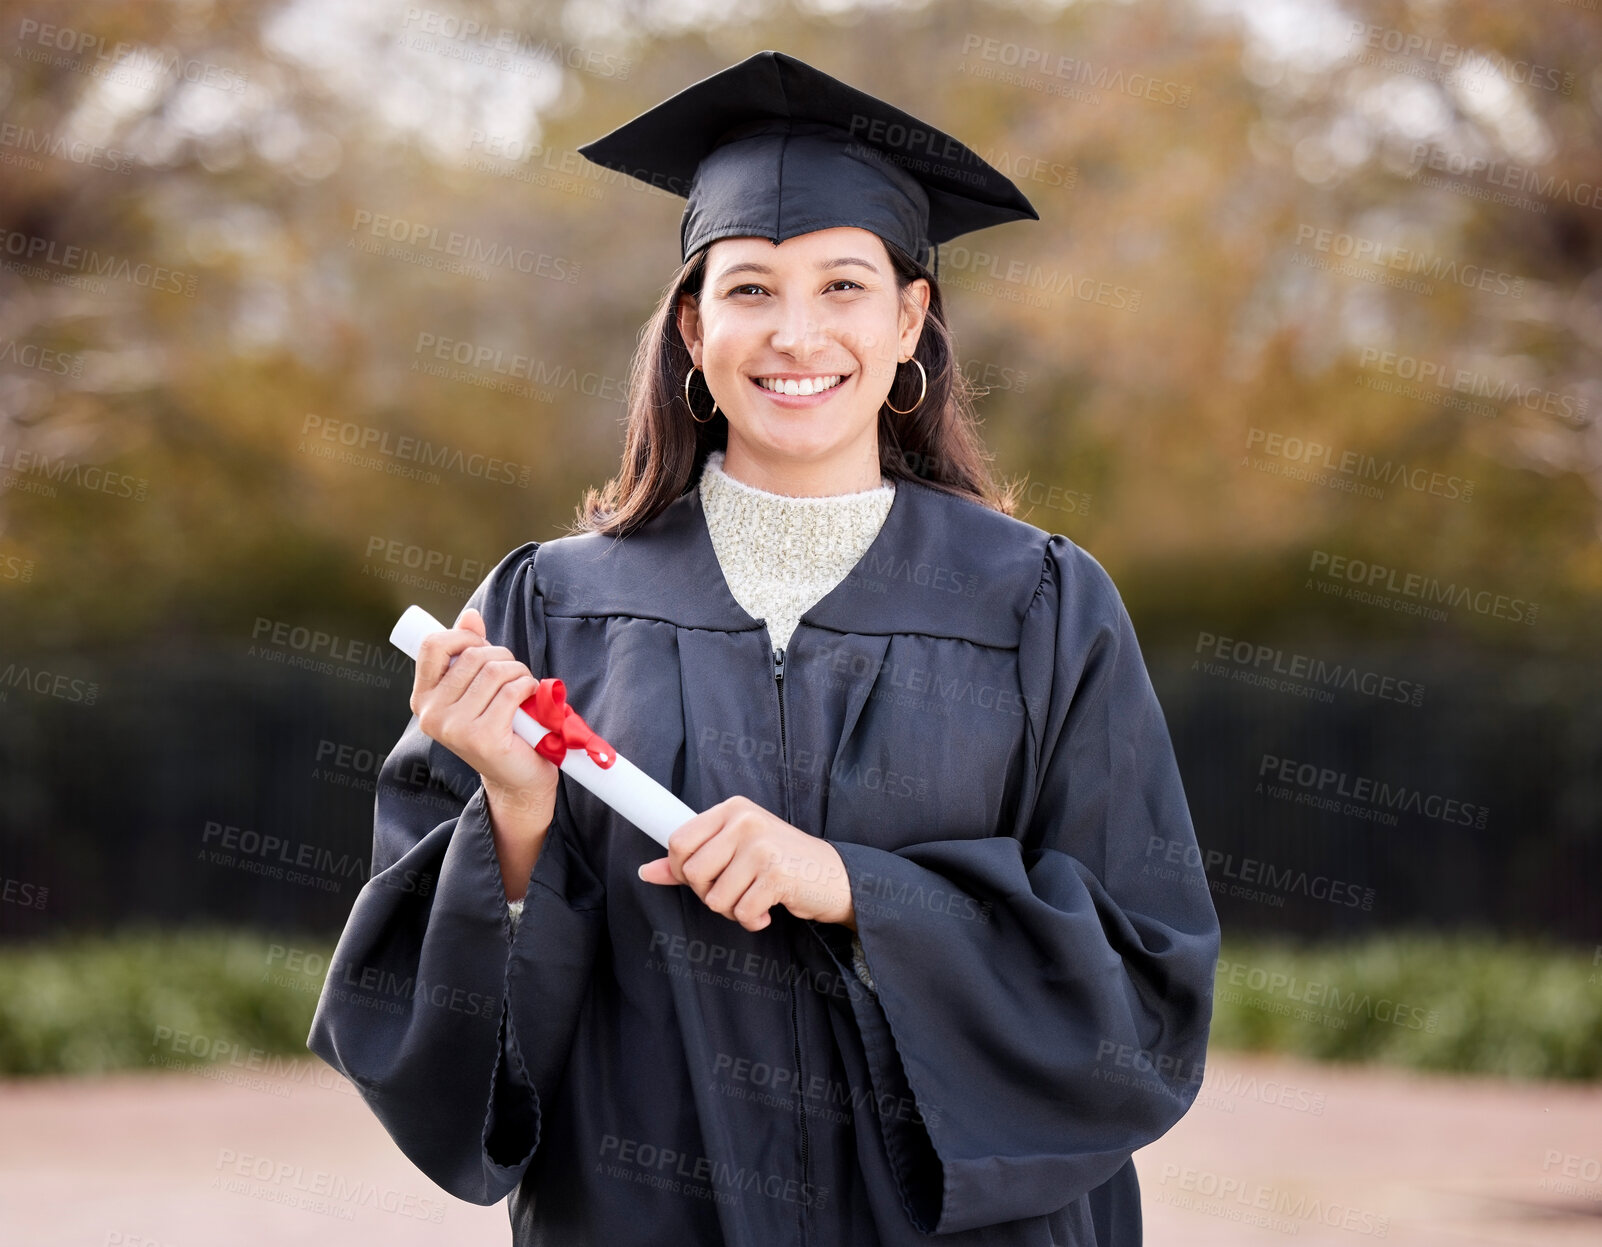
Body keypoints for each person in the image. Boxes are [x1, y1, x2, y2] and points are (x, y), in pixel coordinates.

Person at [307, 49, 1219, 1247]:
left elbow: (1144, 982)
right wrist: (516, 820)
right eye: (748, 289)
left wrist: (854, 888)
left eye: (844, 286)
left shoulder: (1040, 604)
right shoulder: (548, 607)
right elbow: (419, 1028)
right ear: (693, 327)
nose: (797, 333)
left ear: (909, 319)